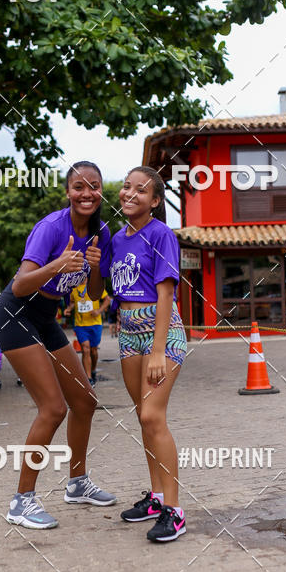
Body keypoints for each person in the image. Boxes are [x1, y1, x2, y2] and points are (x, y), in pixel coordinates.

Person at [0, 161, 117, 529]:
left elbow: (95, 294)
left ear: (100, 192)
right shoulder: (51, 227)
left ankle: (77, 483)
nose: (86, 193)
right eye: (78, 186)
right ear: (68, 192)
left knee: (85, 401)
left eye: (93, 186)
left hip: (46, 318)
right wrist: (57, 265)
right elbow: (19, 285)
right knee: (53, 408)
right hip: (16, 314)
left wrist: (93, 268)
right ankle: (21, 502)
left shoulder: (101, 233)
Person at [111, 165, 188, 544]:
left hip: (161, 332)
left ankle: (175, 512)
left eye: (141, 191)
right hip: (127, 333)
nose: (131, 194)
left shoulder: (161, 234)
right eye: (127, 187)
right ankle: (156, 499)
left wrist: (158, 350)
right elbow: (102, 290)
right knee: (143, 420)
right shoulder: (115, 239)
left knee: (151, 415)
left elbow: (165, 293)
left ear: (155, 201)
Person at [65, 282, 111, 384]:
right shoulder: (74, 288)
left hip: (95, 324)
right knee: (85, 349)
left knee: (93, 351)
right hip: (80, 325)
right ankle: (88, 378)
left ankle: (93, 370)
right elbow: (72, 302)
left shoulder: (94, 285)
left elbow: (107, 299)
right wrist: (69, 309)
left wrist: (99, 311)